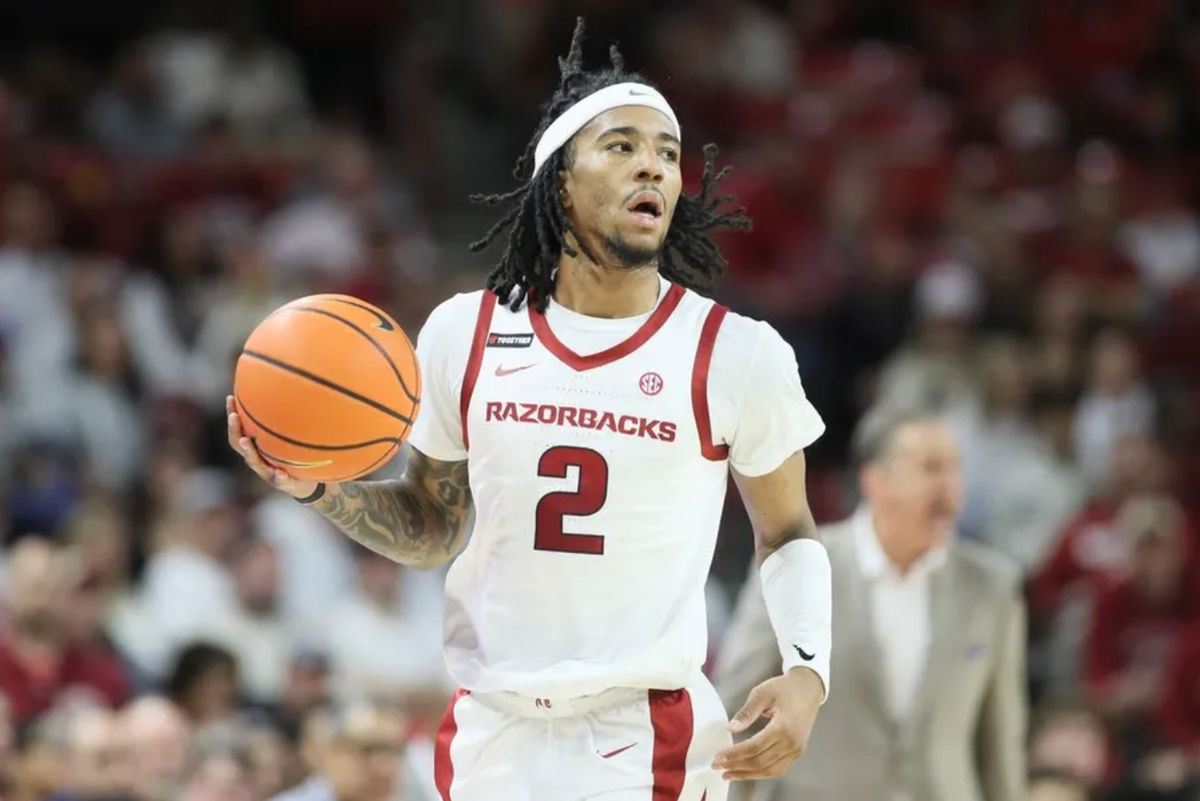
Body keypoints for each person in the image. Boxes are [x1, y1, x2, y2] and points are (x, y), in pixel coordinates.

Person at [228, 17, 830, 800]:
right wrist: (315, 486)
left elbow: (787, 530)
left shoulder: (737, 353)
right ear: (561, 178)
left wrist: (807, 670)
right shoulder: (462, 333)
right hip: (491, 729)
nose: (652, 165)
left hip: (644, 732)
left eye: (668, 153)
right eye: (621, 146)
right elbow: (431, 525)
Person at [715, 407, 1027, 801]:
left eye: (955, 469)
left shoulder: (992, 587)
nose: (952, 489)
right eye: (932, 468)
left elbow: (1000, 742)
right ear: (875, 482)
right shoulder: (802, 565)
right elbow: (737, 710)